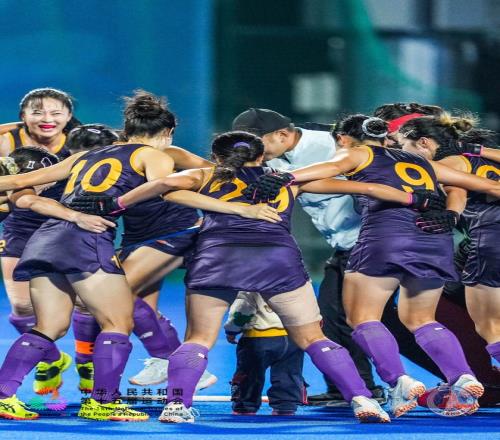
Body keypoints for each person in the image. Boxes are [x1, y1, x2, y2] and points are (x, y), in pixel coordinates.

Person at [70, 130, 449, 424]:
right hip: (278, 261)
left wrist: (116, 203)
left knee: (199, 338)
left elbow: (163, 186)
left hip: (217, 259)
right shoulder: (286, 179)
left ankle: (177, 405)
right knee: (313, 337)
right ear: (262, 155)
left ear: (218, 156)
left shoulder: (203, 175)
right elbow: (364, 186)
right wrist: (415, 199)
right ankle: (362, 399)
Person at [0, 91, 278, 422]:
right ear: (168, 132)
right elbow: (167, 190)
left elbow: (20, 180)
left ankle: (3, 396)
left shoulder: (87, 155)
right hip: (87, 239)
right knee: (117, 323)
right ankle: (103, 402)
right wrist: (238, 207)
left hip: (46, 239)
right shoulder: (154, 155)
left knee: (50, 326)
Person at [246, 114, 500, 417]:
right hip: (435, 241)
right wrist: (452, 214)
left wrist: (287, 177)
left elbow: (331, 171)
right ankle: (463, 376)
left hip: (386, 238)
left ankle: (399, 381)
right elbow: (485, 186)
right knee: (421, 319)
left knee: (362, 318)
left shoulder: (358, 153)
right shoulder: (421, 161)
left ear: (343, 139)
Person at [232, 108, 384, 405]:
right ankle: (353, 388)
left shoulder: (332, 145)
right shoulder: (269, 160)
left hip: (372, 241)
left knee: (367, 318)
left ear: (282, 135)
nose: (252, 151)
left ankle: (383, 384)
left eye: (257, 142)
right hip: (345, 245)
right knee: (336, 316)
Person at [65, 124, 217, 392]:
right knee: (135, 304)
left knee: (115, 293)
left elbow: (218, 173)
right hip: (136, 237)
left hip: (176, 231)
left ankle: (171, 360)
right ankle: (172, 361)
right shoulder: (89, 168)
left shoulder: (165, 154)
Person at [398, 119, 500, 367]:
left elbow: (457, 192)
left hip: (490, 238)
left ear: (423, 142)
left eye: (403, 145)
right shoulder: (490, 158)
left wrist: (450, 214)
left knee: (491, 326)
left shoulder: (447, 164)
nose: (401, 151)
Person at [224, 291, 306, 416]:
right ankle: (286, 406)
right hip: (293, 337)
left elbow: (242, 311)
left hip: (259, 337)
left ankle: (245, 406)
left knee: (249, 374)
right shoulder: (297, 283)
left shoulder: (250, 287)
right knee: (289, 374)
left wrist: (232, 330)